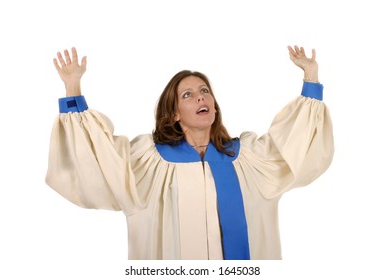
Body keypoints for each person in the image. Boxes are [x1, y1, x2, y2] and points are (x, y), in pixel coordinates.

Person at [46, 46, 334, 260]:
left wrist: (311, 75)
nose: (201, 97)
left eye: (205, 91)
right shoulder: (149, 163)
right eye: (188, 95)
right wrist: (73, 86)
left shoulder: (247, 159)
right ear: (174, 114)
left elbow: (293, 147)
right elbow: (100, 161)